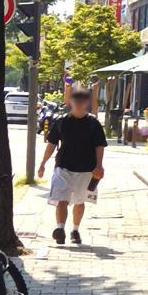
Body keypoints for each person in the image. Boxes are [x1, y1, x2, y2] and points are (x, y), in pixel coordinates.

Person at [37, 87, 106, 245]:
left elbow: (99, 146)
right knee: (62, 199)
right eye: (76, 100)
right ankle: (60, 229)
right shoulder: (62, 122)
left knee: (80, 201)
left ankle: (75, 230)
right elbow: (51, 144)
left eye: (83, 101)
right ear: (71, 102)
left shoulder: (93, 124)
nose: (79, 104)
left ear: (87, 103)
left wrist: (99, 165)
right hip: (63, 167)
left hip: (86, 168)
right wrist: (43, 163)